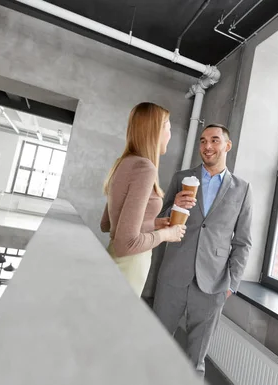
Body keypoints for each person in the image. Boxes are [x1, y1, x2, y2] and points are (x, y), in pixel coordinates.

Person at [153, 123, 253, 376]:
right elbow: (160, 219)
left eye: (215, 140)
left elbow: (243, 241)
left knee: (196, 358)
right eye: (203, 141)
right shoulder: (182, 178)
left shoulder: (242, 189)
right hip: (173, 275)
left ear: (227, 145)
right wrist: (173, 205)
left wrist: (232, 282)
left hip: (214, 282)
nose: (207, 146)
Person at [100, 102, 186, 297]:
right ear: (155, 131)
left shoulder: (122, 164)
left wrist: (153, 223)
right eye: (168, 129)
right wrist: (167, 235)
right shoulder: (145, 169)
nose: (170, 135)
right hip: (129, 268)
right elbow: (127, 243)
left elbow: (107, 224)